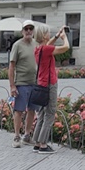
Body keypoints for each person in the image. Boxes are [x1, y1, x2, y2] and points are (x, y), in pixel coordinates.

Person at [31, 23, 69, 154]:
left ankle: (37, 142)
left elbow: (48, 44)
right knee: (50, 113)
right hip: (50, 84)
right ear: (43, 35)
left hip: (41, 83)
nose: (49, 34)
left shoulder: (38, 49)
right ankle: (43, 144)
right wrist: (64, 37)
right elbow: (66, 48)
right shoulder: (46, 50)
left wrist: (57, 36)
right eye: (47, 32)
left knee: (42, 114)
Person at [8, 21, 39, 147]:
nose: (28, 31)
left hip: (34, 83)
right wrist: (12, 85)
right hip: (21, 83)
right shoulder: (17, 45)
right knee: (19, 110)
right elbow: (11, 66)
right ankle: (16, 136)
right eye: (26, 29)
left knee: (32, 110)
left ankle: (27, 135)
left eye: (31, 28)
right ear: (22, 31)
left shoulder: (36, 44)